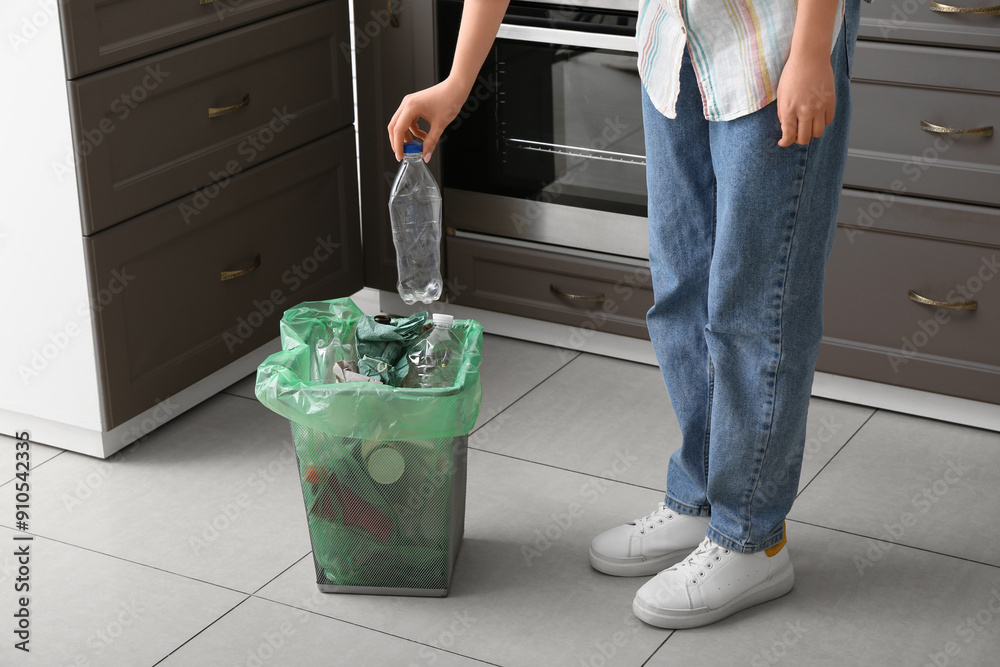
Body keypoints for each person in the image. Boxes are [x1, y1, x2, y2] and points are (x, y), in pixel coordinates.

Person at [388, 0, 862, 629]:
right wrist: (457, 83)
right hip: (676, 43)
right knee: (682, 291)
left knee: (756, 305)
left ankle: (753, 536)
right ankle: (701, 494)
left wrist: (811, 51)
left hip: (776, 42)